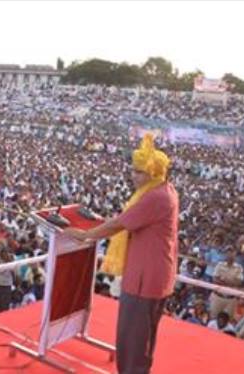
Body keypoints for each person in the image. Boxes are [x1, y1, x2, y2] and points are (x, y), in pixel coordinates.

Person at [66, 134, 177, 374]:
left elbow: (120, 224)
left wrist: (87, 235)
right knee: (142, 340)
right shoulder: (164, 190)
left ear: (153, 173)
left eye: (138, 172)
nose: (133, 176)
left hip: (144, 280)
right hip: (153, 275)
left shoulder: (156, 197)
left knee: (133, 340)